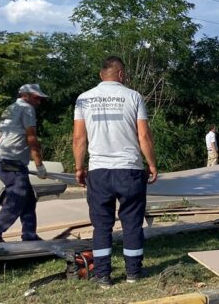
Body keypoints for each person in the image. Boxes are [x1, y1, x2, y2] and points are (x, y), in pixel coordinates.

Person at [73, 56, 158, 289]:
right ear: (121, 74)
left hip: (99, 171)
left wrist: (80, 167)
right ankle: (133, 273)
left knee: (101, 226)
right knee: (131, 223)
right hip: (129, 169)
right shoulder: (134, 97)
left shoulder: (83, 99)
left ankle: (103, 276)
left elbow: (79, 138)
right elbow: (143, 136)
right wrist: (151, 163)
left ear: (102, 75)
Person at [0, 84, 48, 244]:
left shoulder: (9, 109)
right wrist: (39, 164)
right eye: (37, 97)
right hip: (12, 162)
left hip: (6, 160)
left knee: (28, 199)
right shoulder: (27, 109)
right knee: (18, 196)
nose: (39, 101)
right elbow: (31, 138)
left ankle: (29, 235)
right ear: (26, 96)